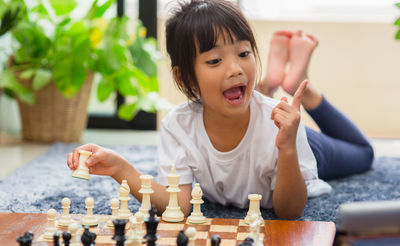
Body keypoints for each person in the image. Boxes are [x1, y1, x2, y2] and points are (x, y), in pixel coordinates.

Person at [67, 0, 374, 218]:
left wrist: (288, 148)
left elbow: (290, 211)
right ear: (186, 77)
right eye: (215, 61)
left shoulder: (278, 125)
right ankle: (281, 81)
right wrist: (121, 169)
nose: (235, 69)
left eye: (243, 53)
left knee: (363, 154)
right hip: (267, 126)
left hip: (292, 138)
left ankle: (302, 88)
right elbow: (179, 205)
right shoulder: (178, 126)